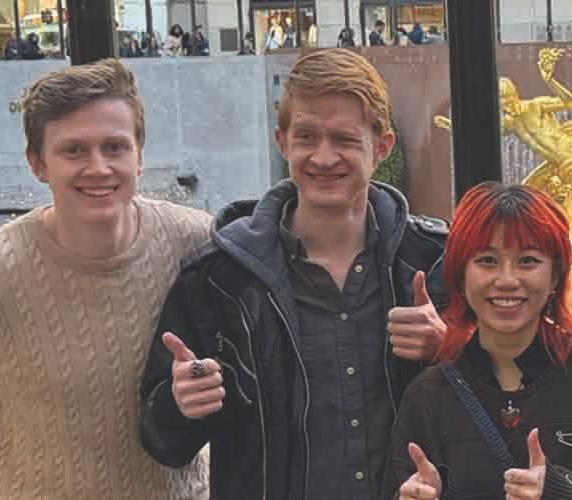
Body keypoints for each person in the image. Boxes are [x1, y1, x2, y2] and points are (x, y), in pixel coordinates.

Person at [138, 48, 451, 500]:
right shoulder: (221, 279)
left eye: (344, 139)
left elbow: (508, 400)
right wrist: (178, 406)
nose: (324, 158)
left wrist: (446, 349)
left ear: (381, 147)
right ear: (282, 142)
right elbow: (161, 441)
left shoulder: (436, 264)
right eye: (307, 137)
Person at [0, 59, 212, 500]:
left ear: (139, 155)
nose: (98, 167)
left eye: (115, 147)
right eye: (74, 151)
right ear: (38, 163)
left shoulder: (195, 243)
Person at [386, 183, 572, 500]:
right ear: (460, 275)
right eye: (486, 261)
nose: (507, 280)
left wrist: (558, 491)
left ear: (555, 276)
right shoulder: (427, 395)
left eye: (527, 261)